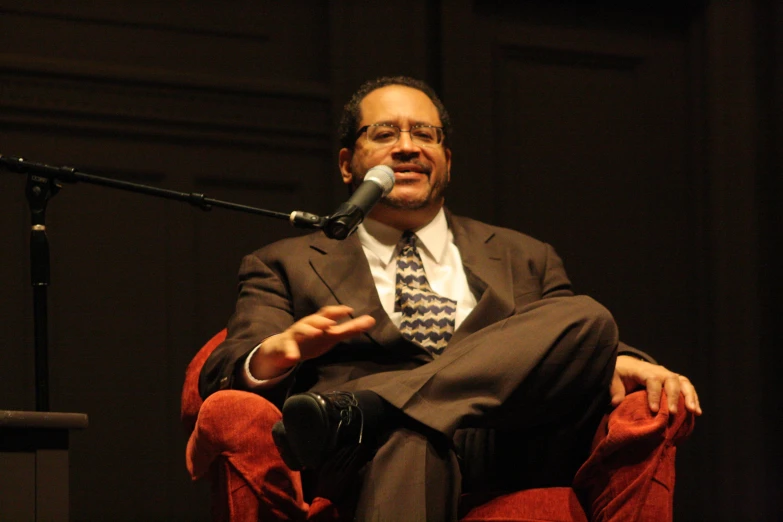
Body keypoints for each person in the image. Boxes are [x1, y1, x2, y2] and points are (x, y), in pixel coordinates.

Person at [199, 76, 701, 521]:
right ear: (348, 165)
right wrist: (273, 354)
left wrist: (622, 358)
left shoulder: (524, 254)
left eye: (424, 134)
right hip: (369, 455)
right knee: (409, 436)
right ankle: (383, 417)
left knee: (587, 317)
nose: (407, 147)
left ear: (447, 160)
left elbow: (564, 343)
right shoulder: (283, 261)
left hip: (505, 439)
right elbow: (223, 368)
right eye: (384, 133)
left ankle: (370, 407)